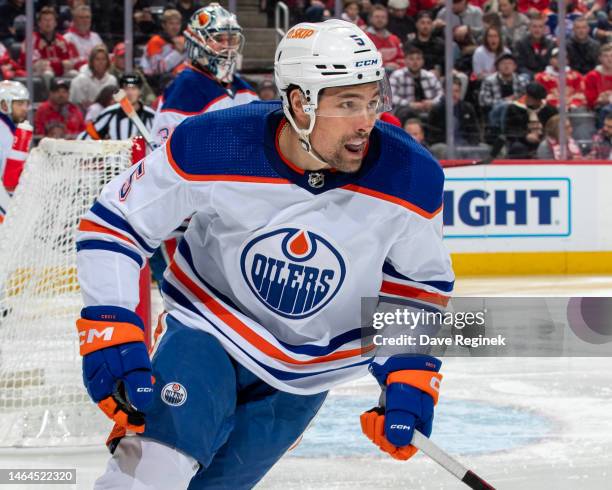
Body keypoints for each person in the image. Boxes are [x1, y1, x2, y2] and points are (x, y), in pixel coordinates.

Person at [76, 19, 453, 489]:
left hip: (308, 375)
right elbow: (116, 221)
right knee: (149, 475)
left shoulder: (410, 176)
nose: (366, 121)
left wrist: (408, 366)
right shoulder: (213, 142)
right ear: (299, 102)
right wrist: (109, 321)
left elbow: (418, 281)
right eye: (348, 103)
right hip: (209, 328)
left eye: (373, 99)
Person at [151, 4, 258, 146]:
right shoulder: (186, 88)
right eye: (218, 39)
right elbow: (165, 150)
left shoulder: (245, 90)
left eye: (232, 39)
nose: (227, 46)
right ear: (197, 42)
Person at [79, 73, 155, 141]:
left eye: (133, 89)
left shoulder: (151, 116)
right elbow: (87, 135)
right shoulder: (110, 113)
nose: (129, 93)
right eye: (126, 89)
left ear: (140, 91)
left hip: (145, 156)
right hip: (117, 156)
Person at [427, 77, 482, 158]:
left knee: (484, 149)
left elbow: (474, 131)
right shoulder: (436, 110)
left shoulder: (468, 108)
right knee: (446, 150)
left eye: (456, 91)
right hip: (443, 144)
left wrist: (470, 145)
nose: (454, 94)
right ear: (444, 92)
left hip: (465, 144)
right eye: (450, 91)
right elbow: (432, 135)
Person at [18, 6, 78, 77]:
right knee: (48, 74)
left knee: (74, 74)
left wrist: (54, 64)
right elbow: (31, 64)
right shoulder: (31, 39)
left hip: (59, 72)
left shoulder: (61, 40)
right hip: (36, 74)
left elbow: (69, 63)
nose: (48, 22)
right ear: (39, 23)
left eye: (50, 20)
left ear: (55, 23)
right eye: (45, 20)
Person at [504, 81, 558, 158]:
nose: (529, 99)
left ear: (539, 99)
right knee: (517, 147)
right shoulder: (515, 108)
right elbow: (510, 130)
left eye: (533, 98)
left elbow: (555, 126)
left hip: (545, 140)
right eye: (528, 96)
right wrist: (525, 136)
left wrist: (546, 137)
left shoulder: (549, 109)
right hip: (522, 141)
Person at [389, 47, 442, 114]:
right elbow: (390, 97)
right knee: (406, 111)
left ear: (423, 61)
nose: (415, 62)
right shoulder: (397, 76)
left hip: (428, 110)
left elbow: (441, 94)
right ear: (405, 61)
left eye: (418, 59)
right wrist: (409, 104)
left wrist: (432, 102)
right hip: (406, 111)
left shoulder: (430, 76)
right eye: (411, 59)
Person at [69, 44, 118, 112]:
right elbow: (75, 106)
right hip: (85, 119)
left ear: (107, 62)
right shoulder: (79, 80)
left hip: (106, 116)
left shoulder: (112, 80)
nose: (101, 62)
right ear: (92, 61)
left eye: (103, 59)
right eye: (97, 59)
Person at [0, 80, 29, 194]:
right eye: (20, 103)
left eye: (26, 103)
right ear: (4, 105)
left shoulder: (6, 126)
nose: (25, 108)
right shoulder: (4, 130)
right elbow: (9, 177)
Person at [140, 8, 187, 76]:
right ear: (164, 25)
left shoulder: (182, 40)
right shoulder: (156, 41)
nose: (175, 27)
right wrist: (178, 52)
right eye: (171, 23)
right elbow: (158, 69)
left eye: (178, 23)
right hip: (155, 81)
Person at [513, 11, 555, 78]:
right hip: (528, 76)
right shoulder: (520, 44)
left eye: (540, 27)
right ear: (529, 28)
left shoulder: (550, 44)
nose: (537, 30)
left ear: (544, 29)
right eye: (534, 27)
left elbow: (552, 64)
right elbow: (519, 67)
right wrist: (535, 76)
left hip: (547, 76)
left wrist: (544, 76)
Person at [365, 5, 405, 71]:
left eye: (383, 17)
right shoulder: (365, 38)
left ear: (387, 19)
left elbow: (402, 59)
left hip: (395, 75)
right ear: (371, 19)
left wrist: (397, 66)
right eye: (377, 17)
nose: (380, 20)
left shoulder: (395, 39)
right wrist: (385, 65)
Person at [405, 10, 445, 75]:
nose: (425, 26)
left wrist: (438, 72)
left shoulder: (440, 44)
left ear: (432, 25)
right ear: (417, 25)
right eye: (422, 23)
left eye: (428, 23)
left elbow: (443, 64)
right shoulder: (409, 45)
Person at [584, 42, 612, 123]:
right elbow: (590, 101)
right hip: (601, 109)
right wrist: (600, 100)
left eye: (611, 56)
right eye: (606, 56)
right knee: (606, 110)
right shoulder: (592, 76)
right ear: (600, 58)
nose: (610, 59)